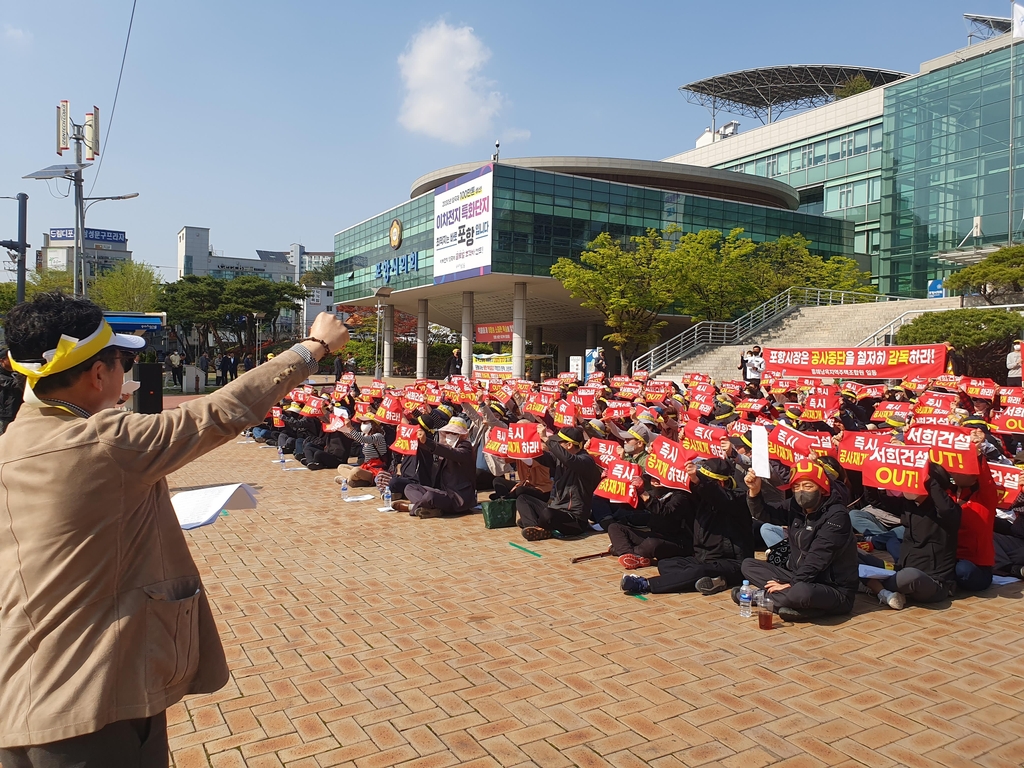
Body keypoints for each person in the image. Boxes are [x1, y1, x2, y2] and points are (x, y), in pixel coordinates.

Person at [0, 291, 348, 767]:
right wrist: (312, 348)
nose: (126, 371)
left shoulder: (13, 442)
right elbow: (219, 413)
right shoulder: (106, 440)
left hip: (21, 699)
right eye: (121, 359)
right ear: (98, 373)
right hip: (91, 711)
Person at [739, 460, 859, 621]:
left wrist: (794, 583)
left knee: (801, 592)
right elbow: (766, 513)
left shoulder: (837, 516)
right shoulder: (795, 506)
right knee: (748, 565)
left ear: (822, 489)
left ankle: (761, 597)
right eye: (796, 487)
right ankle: (792, 604)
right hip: (797, 576)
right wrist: (754, 491)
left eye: (808, 486)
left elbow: (818, 557)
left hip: (832, 588)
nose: (801, 492)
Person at [620, 458, 753, 597]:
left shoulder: (738, 499)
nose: (698, 483)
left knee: (699, 571)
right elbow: (670, 504)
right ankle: (718, 581)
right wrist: (642, 492)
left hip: (733, 563)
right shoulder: (702, 499)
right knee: (666, 565)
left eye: (703, 480)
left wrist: (699, 481)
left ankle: (644, 584)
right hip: (704, 558)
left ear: (720, 482)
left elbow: (719, 497)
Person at [861, 463, 962, 608]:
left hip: (932, 582)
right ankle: (878, 587)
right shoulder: (908, 505)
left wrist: (928, 480)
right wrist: (869, 473)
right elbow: (875, 500)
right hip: (901, 569)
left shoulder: (949, 513)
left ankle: (872, 585)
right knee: (856, 555)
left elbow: (946, 509)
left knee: (910, 576)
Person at [515, 425, 602, 540]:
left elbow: (569, 460)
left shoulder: (585, 461)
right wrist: (526, 445)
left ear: (569, 445)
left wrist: (547, 439)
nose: (556, 446)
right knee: (523, 498)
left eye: (558, 443)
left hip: (574, 518)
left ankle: (537, 523)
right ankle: (535, 527)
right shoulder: (560, 459)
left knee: (547, 514)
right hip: (556, 509)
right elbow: (543, 457)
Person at [394, 417, 478, 518]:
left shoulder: (466, 447)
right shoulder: (446, 446)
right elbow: (431, 450)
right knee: (410, 487)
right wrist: (412, 435)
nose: (449, 435)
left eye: (454, 433)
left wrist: (427, 442)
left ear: (463, 435)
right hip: (443, 492)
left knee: (430, 496)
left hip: (458, 497)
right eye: (447, 432)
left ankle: (412, 507)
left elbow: (452, 453)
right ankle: (432, 508)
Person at [0, 349, 25, 434]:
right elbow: (13, 384)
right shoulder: (2, 375)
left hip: (20, 410)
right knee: (6, 435)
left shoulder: (15, 371)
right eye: (10, 359)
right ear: (2, 361)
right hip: (6, 413)